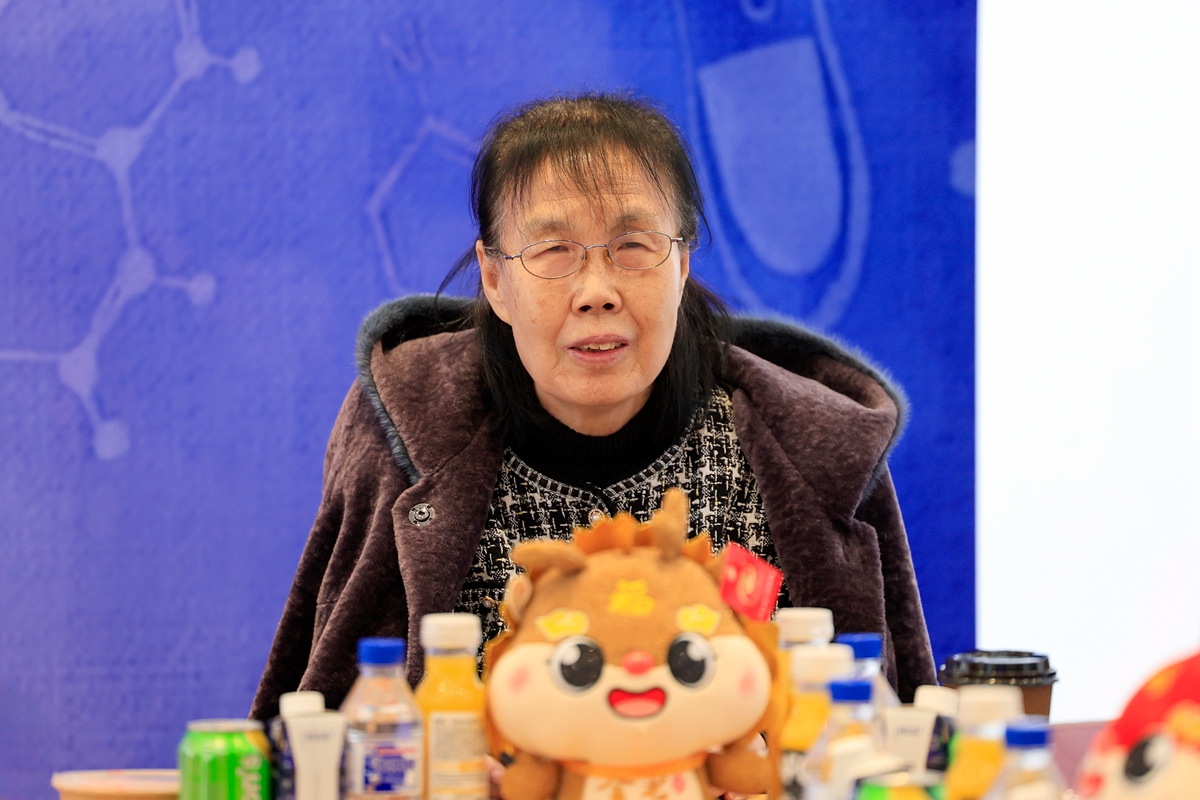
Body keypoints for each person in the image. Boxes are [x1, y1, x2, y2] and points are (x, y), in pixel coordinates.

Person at [251, 93, 935, 722]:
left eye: (633, 246)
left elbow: (896, 744)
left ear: (682, 263)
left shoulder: (808, 443)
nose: (597, 291)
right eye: (554, 252)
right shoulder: (403, 426)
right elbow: (318, 725)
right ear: (494, 277)